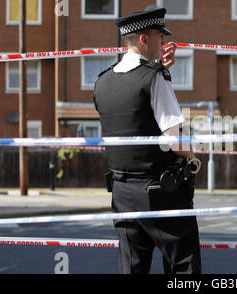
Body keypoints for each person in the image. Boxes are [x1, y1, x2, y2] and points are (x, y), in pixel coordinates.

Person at [93, 8, 201, 274]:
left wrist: (158, 69)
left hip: (120, 190)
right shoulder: (154, 78)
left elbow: (133, 116)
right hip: (160, 190)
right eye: (159, 36)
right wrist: (194, 156)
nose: (163, 43)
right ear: (144, 39)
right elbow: (174, 140)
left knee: (132, 267)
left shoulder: (102, 81)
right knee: (183, 266)